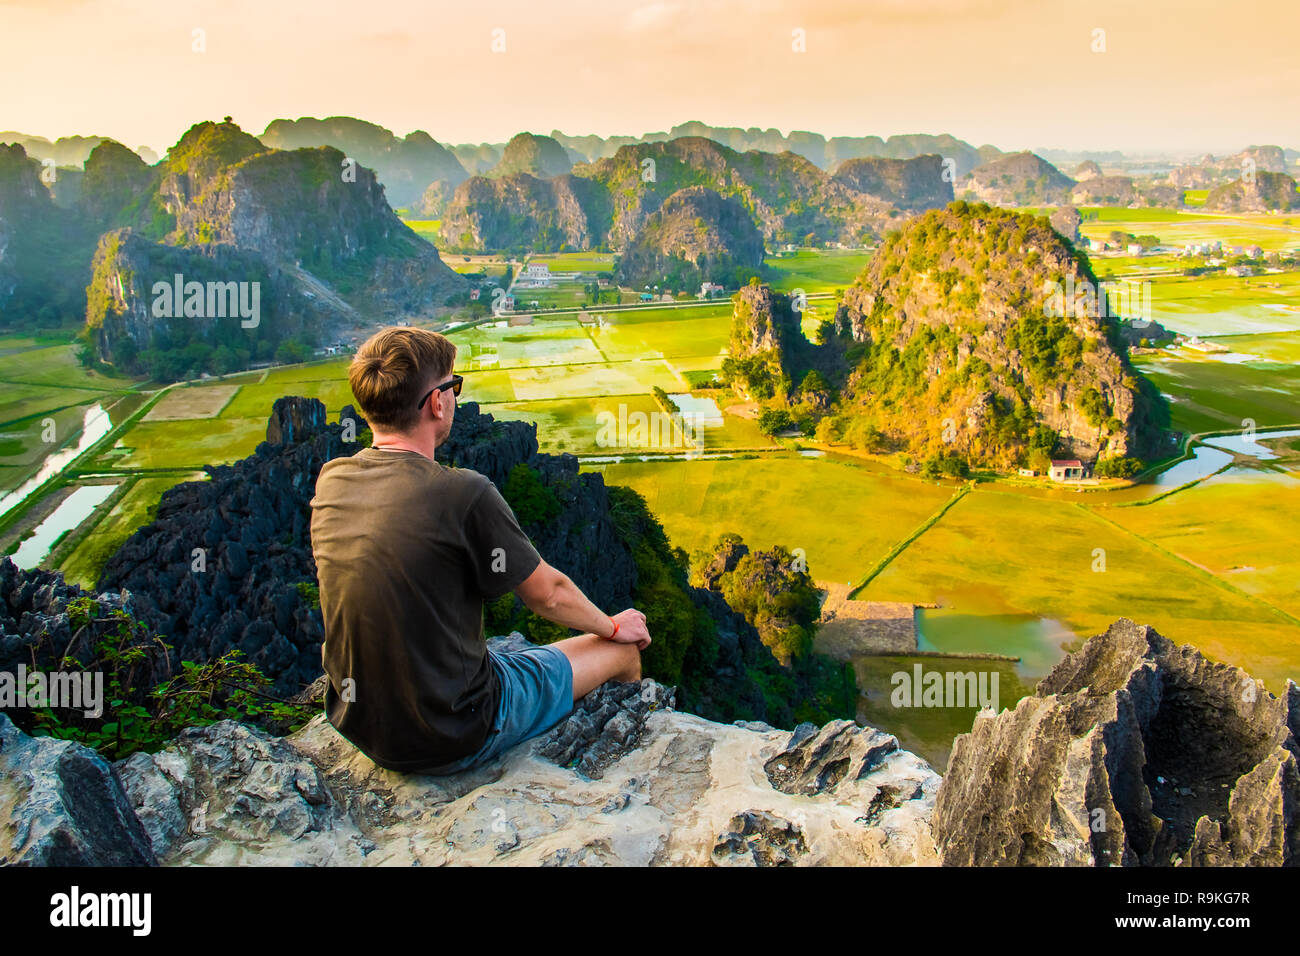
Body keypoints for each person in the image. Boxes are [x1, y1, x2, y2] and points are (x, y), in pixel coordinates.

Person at [308, 326, 651, 775]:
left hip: (359, 725)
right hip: (453, 732)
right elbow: (547, 594)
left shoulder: (331, 480)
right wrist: (613, 626)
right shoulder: (462, 493)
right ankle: (629, 770)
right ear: (436, 401)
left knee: (505, 656)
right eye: (453, 385)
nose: (454, 395)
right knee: (622, 651)